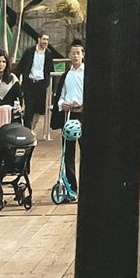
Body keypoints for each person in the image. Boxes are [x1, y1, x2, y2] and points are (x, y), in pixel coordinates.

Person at [55, 42, 85, 195]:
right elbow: (60, 96)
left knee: (86, 151)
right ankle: (71, 186)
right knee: (68, 153)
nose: (75, 56)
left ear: (83, 55)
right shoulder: (66, 75)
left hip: (83, 115)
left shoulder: (87, 73)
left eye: (78, 53)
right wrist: (63, 104)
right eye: (72, 53)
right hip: (69, 116)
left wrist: (81, 103)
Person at [19, 33, 51, 130]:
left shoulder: (48, 54)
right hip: (29, 83)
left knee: (39, 110)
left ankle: (32, 128)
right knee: (29, 109)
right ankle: (27, 130)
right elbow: (21, 66)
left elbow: (50, 70)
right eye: (44, 39)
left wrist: (48, 84)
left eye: (47, 40)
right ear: (39, 39)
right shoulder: (29, 51)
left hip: (41, 84)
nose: (45, 42)